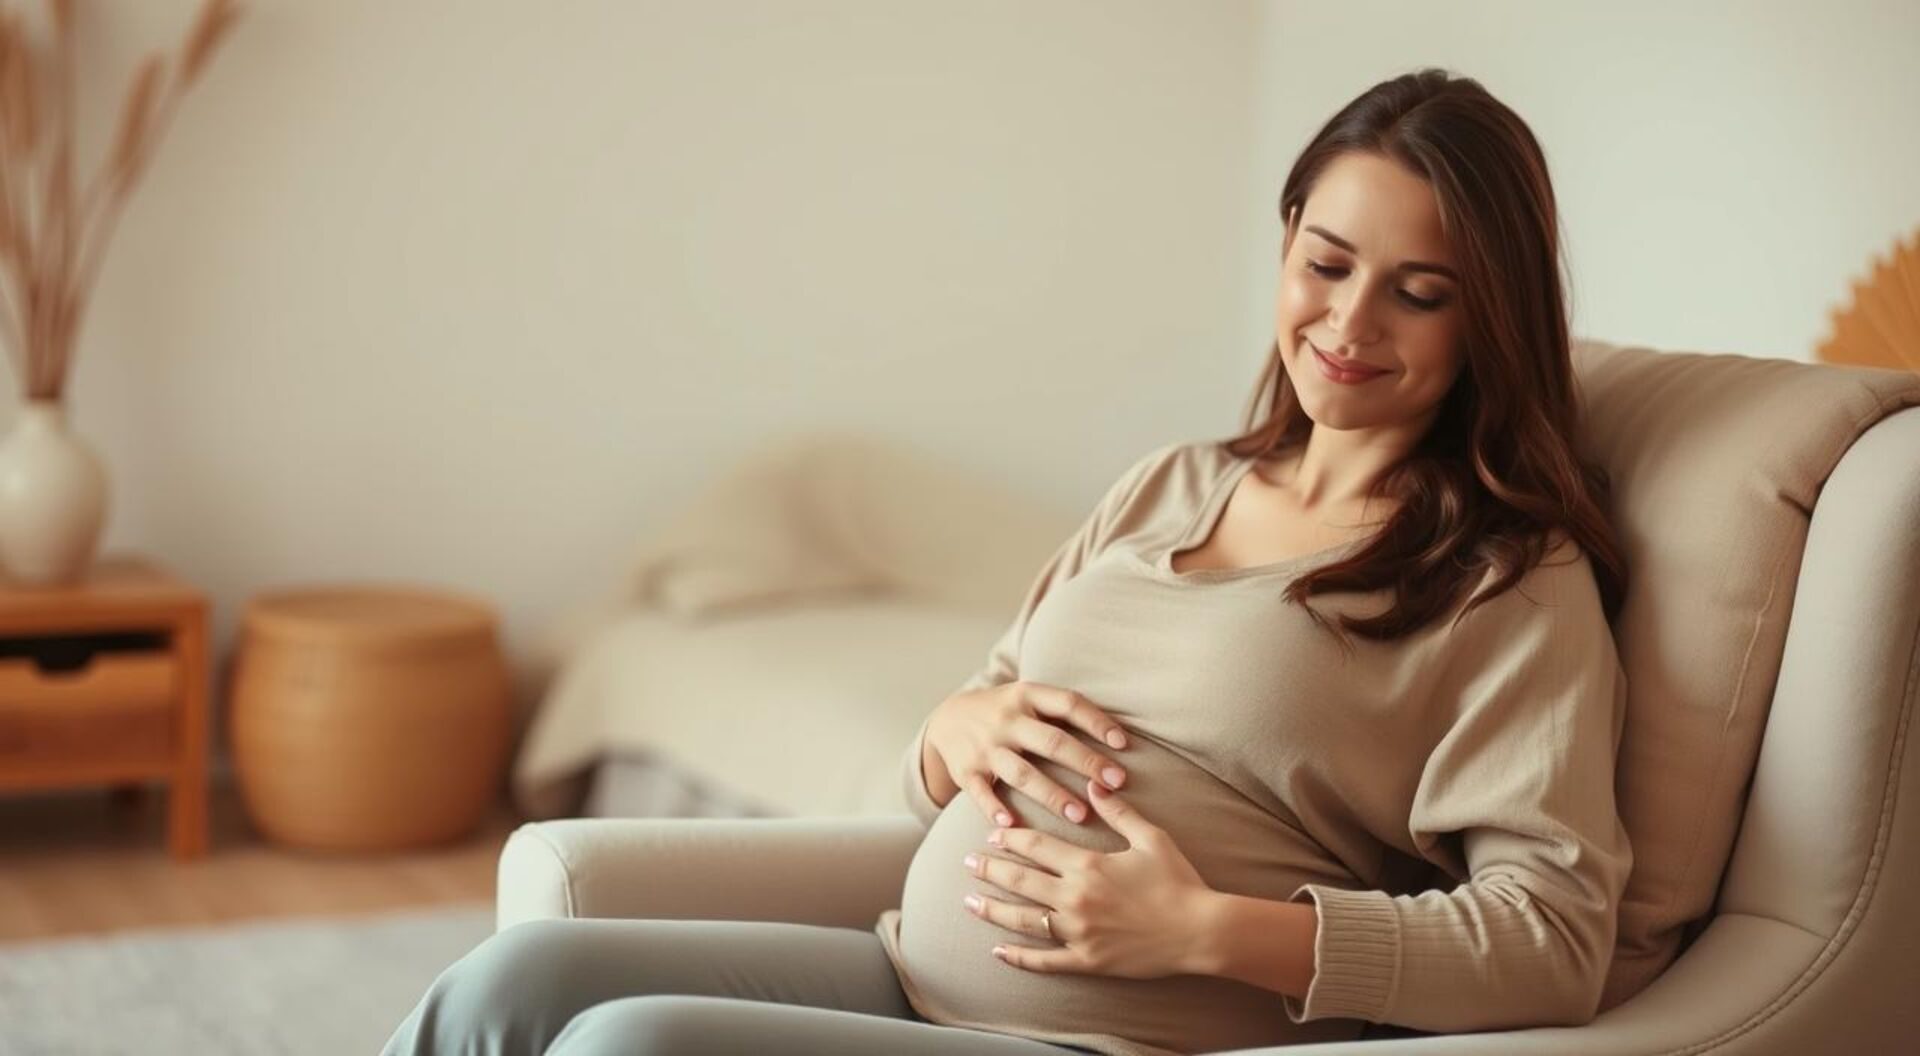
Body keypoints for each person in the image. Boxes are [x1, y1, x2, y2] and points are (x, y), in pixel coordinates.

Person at [382, 66, 1632, 1056]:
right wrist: (955, 727)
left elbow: (1552, 940)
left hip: (1115, 1037)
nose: (1351, 323)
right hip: (915, 973)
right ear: (1288, 238)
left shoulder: (1505, 581)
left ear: (1491, 318)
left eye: (1419, 292)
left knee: (628, 1048)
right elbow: (961, 742)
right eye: (1327, 264)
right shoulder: (1174, 483)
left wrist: (1212, 933)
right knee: (510, 981)